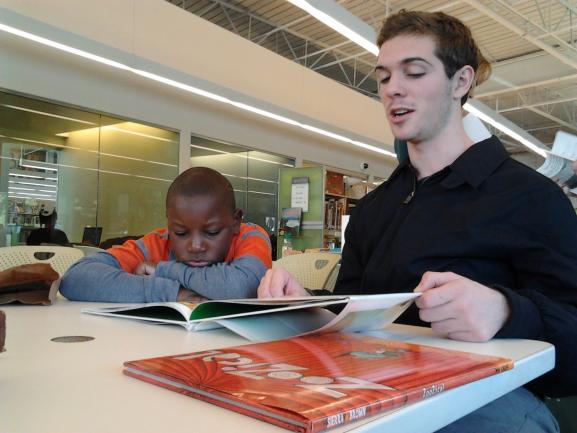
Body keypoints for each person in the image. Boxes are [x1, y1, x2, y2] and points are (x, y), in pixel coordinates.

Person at [258, 10, 577, 433]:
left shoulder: (530, 197)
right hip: (368, 385)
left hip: (482, 396)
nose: (394, 89)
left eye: (414, 72)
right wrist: (306, 302)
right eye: (385, 76)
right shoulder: (374, 209)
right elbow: (355, 312)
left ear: (460, 82)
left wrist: (505, 311)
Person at [61, 167, 272, 303]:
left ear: (235, 221)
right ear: (169, 224)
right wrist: (175, 294)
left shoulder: (250, 235)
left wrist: (164, 269)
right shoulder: (157, 242)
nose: (195, 246)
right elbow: (75, 278)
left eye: (212, 232)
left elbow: (243, 286)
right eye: (180, 233)